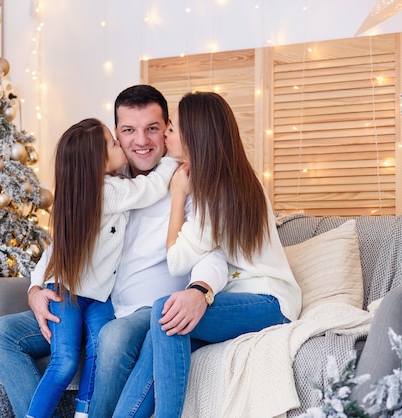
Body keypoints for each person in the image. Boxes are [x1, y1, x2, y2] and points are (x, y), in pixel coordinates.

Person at [0, 85, 227, 417]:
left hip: (136, 310)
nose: (141, 140)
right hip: (84, 298)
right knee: (0, 334)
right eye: (128, 131)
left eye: (152, 128)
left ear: (168, 130)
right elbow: (66, 241)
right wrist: (36, 289)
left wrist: (201, 290)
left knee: (109, 339)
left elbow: (211, 249)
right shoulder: (105, 180)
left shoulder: (186, 184)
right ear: (116, 135)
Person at [112, 91, 302, 417]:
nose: (166, 134)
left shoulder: (217, 194)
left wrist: (177, 196)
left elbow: (176, 261)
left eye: (172, 129)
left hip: (269, 301)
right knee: (159, 339)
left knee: (165, 311)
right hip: (242, 298)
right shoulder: (228, 180)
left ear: (193, 137)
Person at [24, 118, 178, 418]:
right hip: (66, 292)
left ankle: (85, 413)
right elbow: (154, 187)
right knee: (65, 361)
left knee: (100, 349)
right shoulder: (107, 191)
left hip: (99, 294)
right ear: (97, 161)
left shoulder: (90, 188)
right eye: (113, 142)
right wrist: (173, 158)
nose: (122, 144)